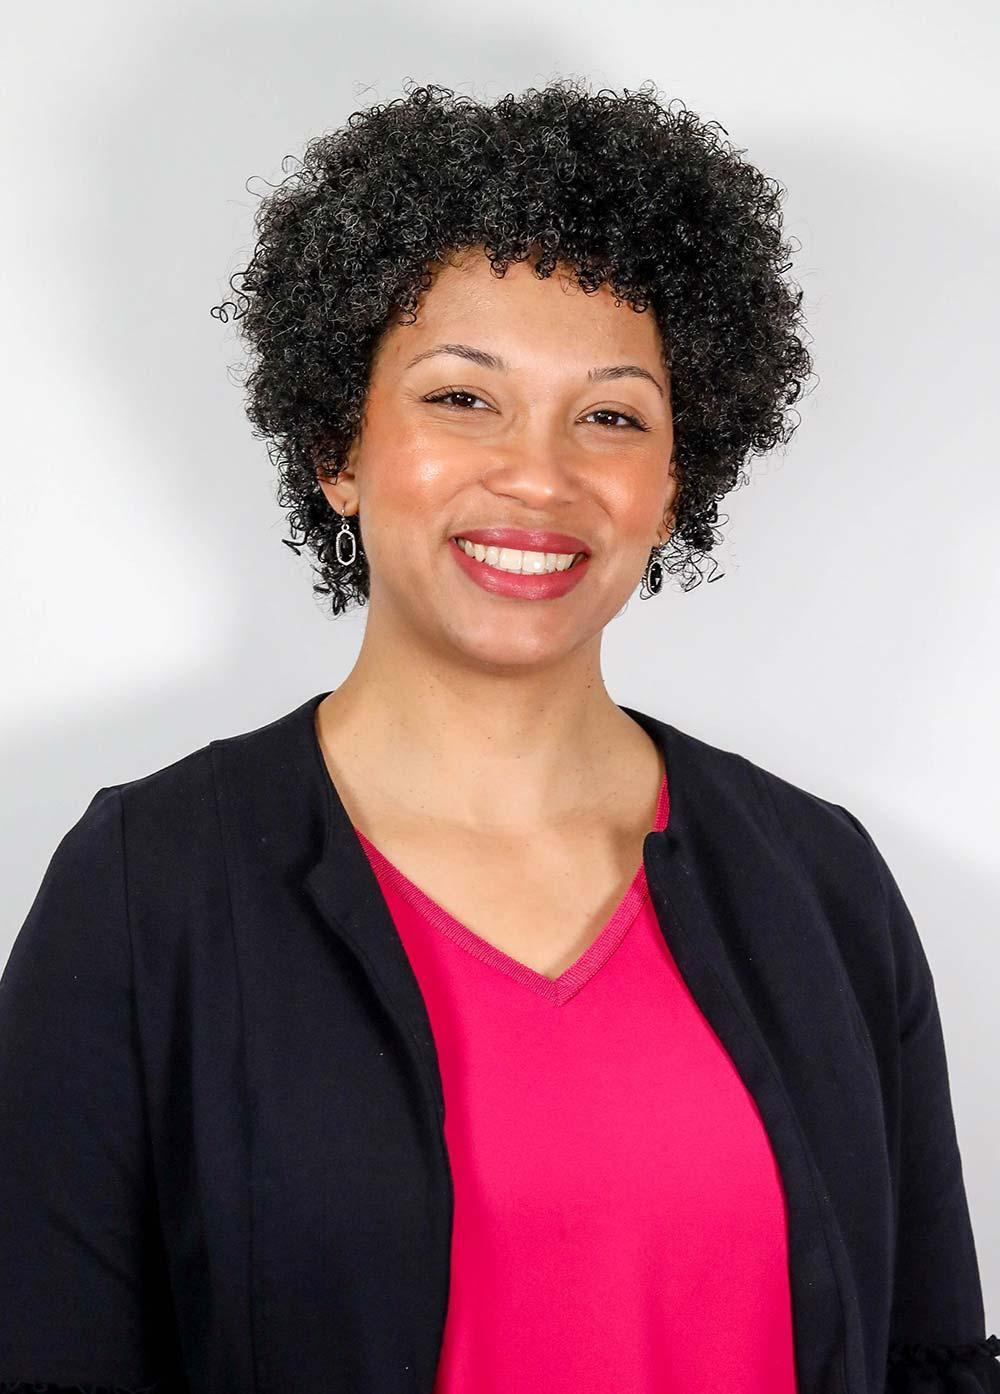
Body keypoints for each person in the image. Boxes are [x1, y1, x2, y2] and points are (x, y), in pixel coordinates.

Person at [1, 78, 996, 1394]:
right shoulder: (148, 887)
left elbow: (929, 1360)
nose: (540, 472)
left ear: (672, 482)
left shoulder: (823, 884)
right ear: (336, 447)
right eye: (462, 398)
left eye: (613, 414)